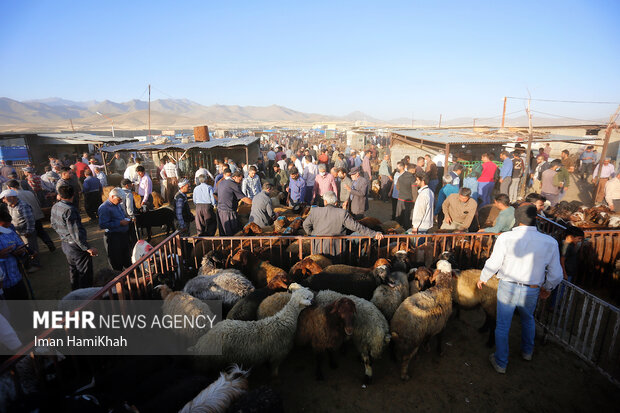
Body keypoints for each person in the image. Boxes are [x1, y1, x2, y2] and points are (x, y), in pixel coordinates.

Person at [478, 204, 562, 374]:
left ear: (516, 218)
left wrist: (483, 277)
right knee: (528, 319)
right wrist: (548, 287)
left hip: (508, 286)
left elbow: (494, 262)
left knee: (502, 325)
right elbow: (556, 274)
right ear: (536, 219)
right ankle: (527, 352)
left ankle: (501, 362)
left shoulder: (505, 238)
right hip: (531, 289)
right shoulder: (550, 242)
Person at [303, 191, 383, 256]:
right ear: (336, 202)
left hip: (317, 248)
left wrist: (313, 233)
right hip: (336, 250)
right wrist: (374, 234)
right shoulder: (342, 213)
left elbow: (305, 225)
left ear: (325, 202)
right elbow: (357, 227)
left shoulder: (315, 211)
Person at [51, 185, 98, 290]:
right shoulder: (70, 210)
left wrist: (63, 234)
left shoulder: (55, 206)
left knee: (73, 270)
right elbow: (75, 232)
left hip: (65, 243)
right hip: (75, 245)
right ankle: (86, 297)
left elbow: (53, 224)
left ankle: (75, 292)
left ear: (59, 195)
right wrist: (87, 248)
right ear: (73, 195)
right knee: (84, 273)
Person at [6, 179, 55, 252]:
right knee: (41, 232)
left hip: (25, 220)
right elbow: (38, 202)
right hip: (36, 216)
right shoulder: (29, 192)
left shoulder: (14, 197)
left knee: (30, 239)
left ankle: (33, 253)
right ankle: (50, 244)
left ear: (9, 187)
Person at [1, 188, 38, 271]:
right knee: (22, 249)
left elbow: (30, 220)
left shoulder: (23, 206)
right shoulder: (9, 206)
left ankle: (35, 264)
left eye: (4, 198)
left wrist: (29, 231)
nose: (3, 201)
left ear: (11, 197)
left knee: (31, 248)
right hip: (17, 232)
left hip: (26, 232)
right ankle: (29, 266)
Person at [98, 188, 133, 271]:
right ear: (113, 196)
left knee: (126, 257)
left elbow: (121, 216)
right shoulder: (104, 208)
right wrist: (120, 223)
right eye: (119, 199)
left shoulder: (117, 205)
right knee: (116, 260)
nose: (121, 201)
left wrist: (126, 219)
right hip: (113, 237)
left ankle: (130, 276)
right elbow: (102, 225)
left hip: (123, 235)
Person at [0, 209, 30, 299]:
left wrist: (21, 251)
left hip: (16, 278)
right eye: (3, 227)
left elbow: (20, 245)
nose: (6, 228)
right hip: (2, 286)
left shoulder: (9, 231)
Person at [216, 170, 252, 236]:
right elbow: (244, 198)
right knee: (232, 233)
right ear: (235, 177)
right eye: (240, 180)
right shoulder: (233, 185)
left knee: (223, 233)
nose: (240, 182)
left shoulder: (221, 182)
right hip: (228, 212)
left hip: (220, 210)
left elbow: (215, 194)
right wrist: (254, 203)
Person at [396, 163, 416, 229]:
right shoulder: (412, 178)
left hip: (400, 199)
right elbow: (414, 191)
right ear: (413, 170)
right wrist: (415, 201)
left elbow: (397, 187)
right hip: (409, 201)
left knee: (399, 216)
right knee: (407, 218)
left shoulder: (401, 176)